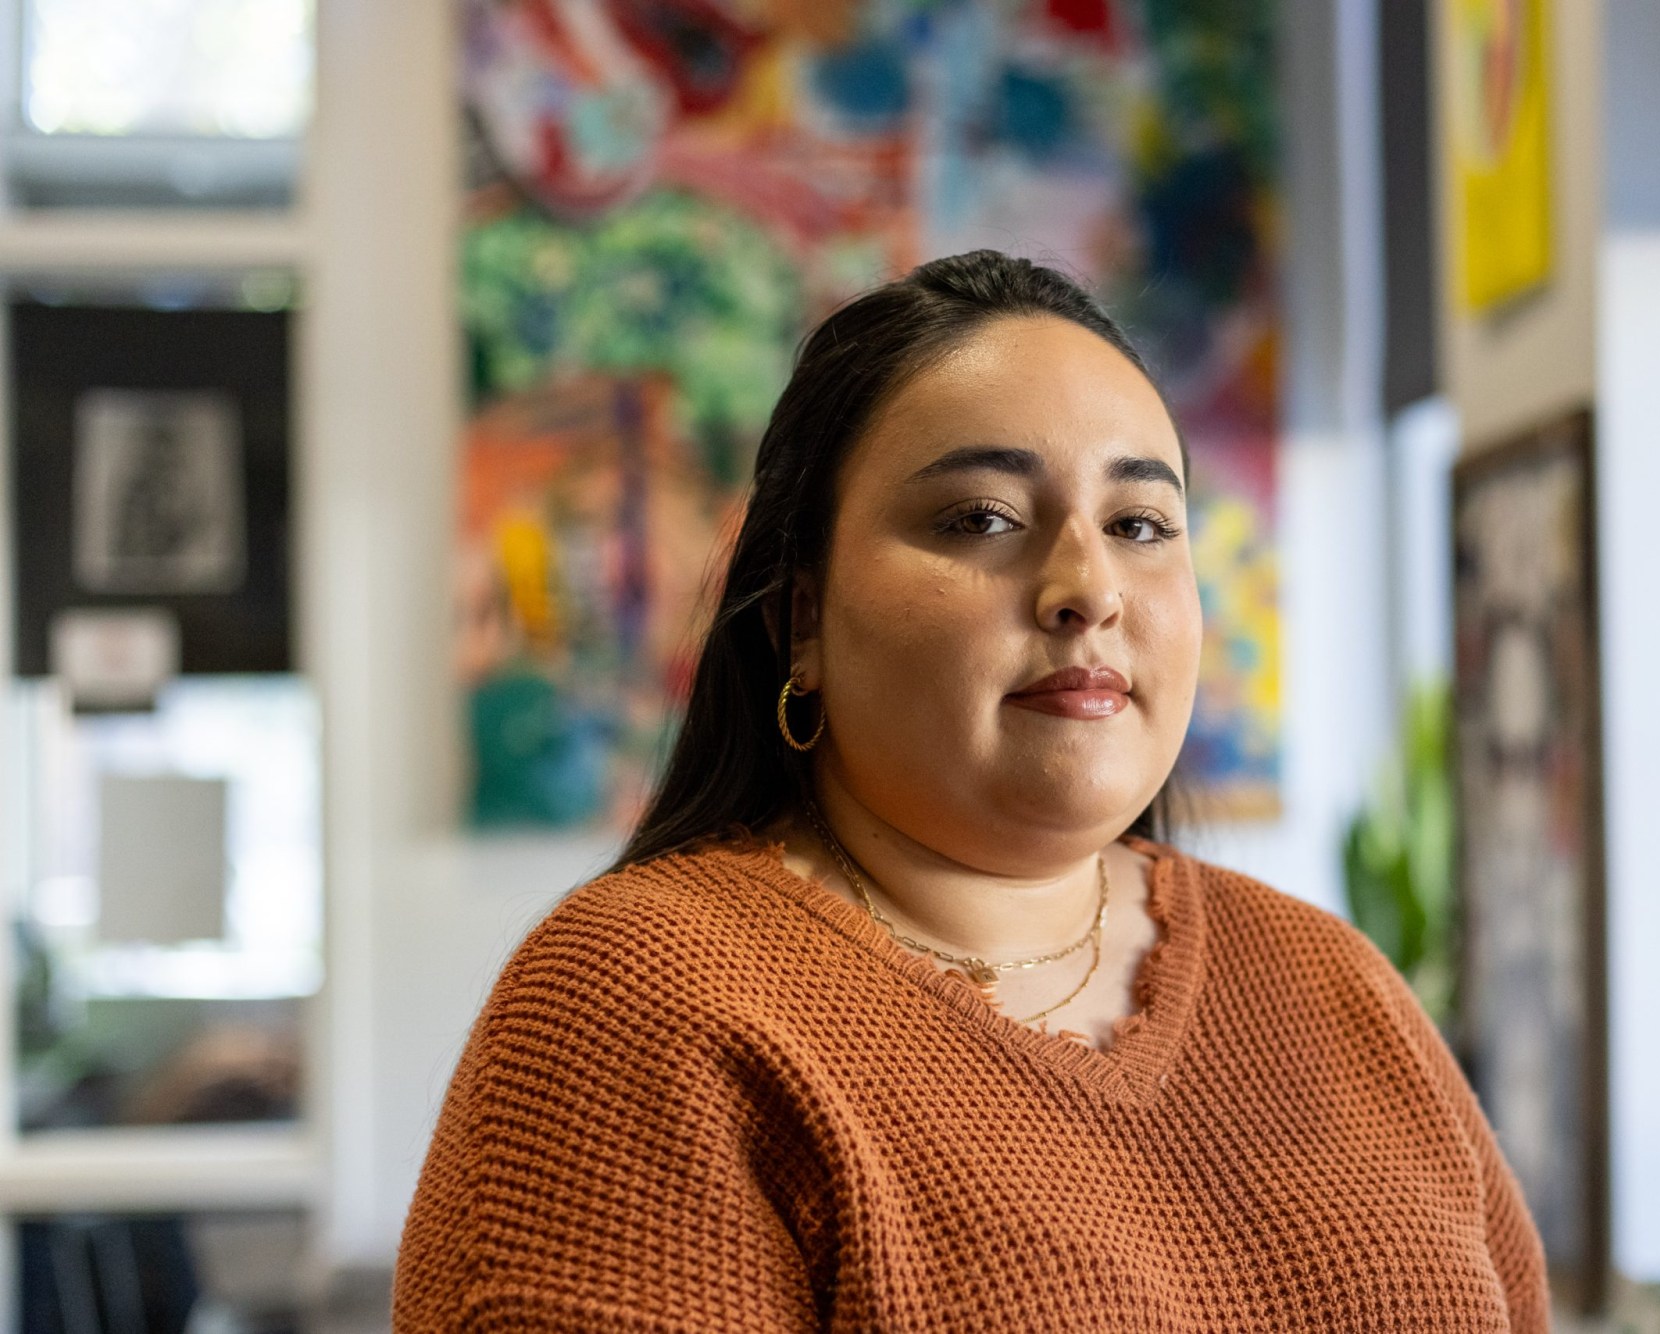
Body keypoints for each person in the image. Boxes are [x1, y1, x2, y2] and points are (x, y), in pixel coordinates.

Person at [393, 250, 1550, 1330]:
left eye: (1140, 522)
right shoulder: (646, 1002)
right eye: (981, 518)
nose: (1087, 586)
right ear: (802, 616)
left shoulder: (1329, 981)